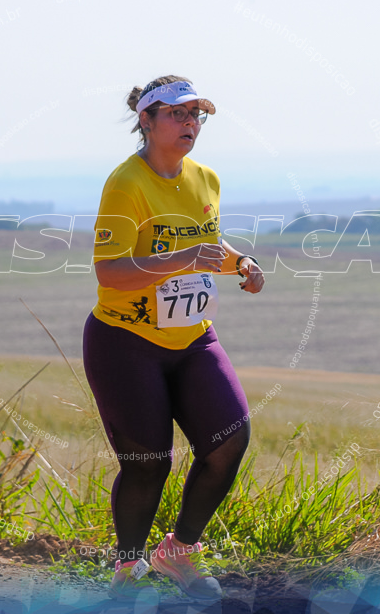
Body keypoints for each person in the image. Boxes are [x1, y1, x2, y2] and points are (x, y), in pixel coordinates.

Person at [83, 75, 265, 602]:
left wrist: (242, 264)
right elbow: (110, 272)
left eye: (197, 116)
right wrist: (181, 260)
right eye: (178, 115)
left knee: (230, 440)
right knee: (148, 463)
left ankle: (179, 551)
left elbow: (207, 241)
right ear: (146, 120)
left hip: (192, 339)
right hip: (125, 342)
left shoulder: (205, 177)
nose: (190, 125)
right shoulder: (126, 184)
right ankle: (128, 568)